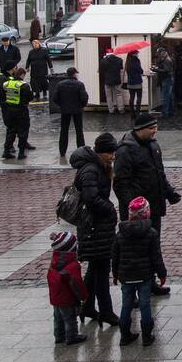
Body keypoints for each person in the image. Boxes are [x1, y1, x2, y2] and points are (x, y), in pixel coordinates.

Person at [113, 113, 180, 295]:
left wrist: (169, 192)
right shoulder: (125, 151)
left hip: (154, 208)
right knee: (134, 251)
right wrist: (133, 208)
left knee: (152, 246)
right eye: (151, 129)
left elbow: (159, 174)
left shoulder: (153, 145)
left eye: (156, 128)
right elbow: (120, 184)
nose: (155, 131)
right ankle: (132, 291)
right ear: (139, 129)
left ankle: (150, 284)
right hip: (136, 212)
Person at [72, 132, 120, 328]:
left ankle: (88, 306)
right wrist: (109, 209)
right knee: (101, 271)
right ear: (100, 152)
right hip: (94, 227)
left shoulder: (97, 167)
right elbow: (91, 198)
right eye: (109, 152)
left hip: (96, 228)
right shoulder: (92, 170)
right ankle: (106, 311)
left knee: (95, 269)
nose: (113, 156)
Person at [112, 197, 166, 347]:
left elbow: (115, 256)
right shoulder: (151, 232)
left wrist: (115, 273)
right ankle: (147, 336)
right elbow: (156, 257)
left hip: (126, 276)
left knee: (126, 305)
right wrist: (162, 274)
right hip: (144, 276)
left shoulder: (120, 233)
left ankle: (124, 335)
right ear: (147, 212)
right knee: (145, 305)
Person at [46, 231, 88, 345]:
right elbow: (77, 283)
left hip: (55, 296)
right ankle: (72, 336)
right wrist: (83, 296)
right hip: (67, 298)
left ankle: (59, 336)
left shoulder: (54, 261)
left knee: (57, 317)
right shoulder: (73, 265)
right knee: (70, 318)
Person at [52, 67, 89, 157]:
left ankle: (62, 151)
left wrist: (61, 105)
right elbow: (84, 98)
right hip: (77, 110)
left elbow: (55, 98)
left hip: (65, 110)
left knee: (64, 131)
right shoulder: (79, 84)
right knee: (79, 131)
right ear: (74, 74)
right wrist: (82, 105)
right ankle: (81, 150)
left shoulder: (60, 84)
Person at [2, 67, 33, 159]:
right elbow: (30, 97)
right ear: (22, 75)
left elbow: (2, 94)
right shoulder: (24, 85)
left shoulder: (7, 83)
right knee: (23, 131)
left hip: (9, 110)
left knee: (10, 131)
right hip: (21, 111)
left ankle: (6, 151)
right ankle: (21, 153)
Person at [99, 49, 125, 114]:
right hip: (117, 80)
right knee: (119, 94)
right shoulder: (119, 60)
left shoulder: (103, 61)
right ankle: (121, 109)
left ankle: (111, 110)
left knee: (109, 96)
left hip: (108, 81)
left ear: (106, 53)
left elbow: (101, 70)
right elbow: (121, 68)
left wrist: (104, 59)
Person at [151, 47, 175, 117]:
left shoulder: (167, 60)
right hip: (167, 79)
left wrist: (156, 70)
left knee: (165, 96)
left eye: (159, 53)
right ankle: (170, 112)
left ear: (162, 52)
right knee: (169, 96)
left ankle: (165, 113)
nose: (158, 54)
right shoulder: (165, 58)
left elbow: (166, 70)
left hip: (167, 79)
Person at [124, 50, 145, 117]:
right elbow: (140, 70)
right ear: (133, 54)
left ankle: (132, 113)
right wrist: (141, 71)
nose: (138, 54)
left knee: (132, 98)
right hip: (137, 82)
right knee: (139, 97)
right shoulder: (136, 61)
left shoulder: (127, 61)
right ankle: (137, 112)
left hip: (130, 83)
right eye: (137, 53)